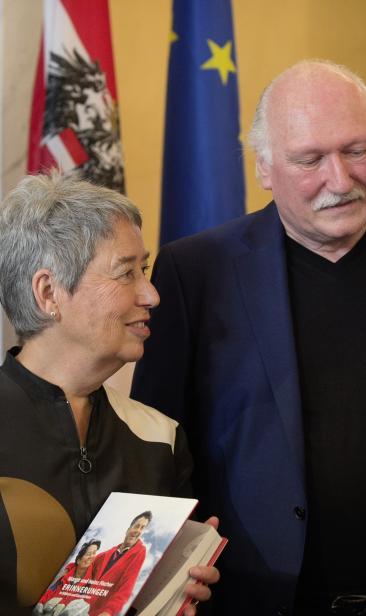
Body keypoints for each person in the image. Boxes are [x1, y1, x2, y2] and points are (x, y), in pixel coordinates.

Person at [132, 60, 366, 615]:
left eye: (357, 150)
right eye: (310, 159)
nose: (340, 180)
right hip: (255, 601)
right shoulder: (195, 272)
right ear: (265, 168)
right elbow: (155, 444)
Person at [0, 173, 218, 615]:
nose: (152, 294)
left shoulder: (161, 437)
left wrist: (178, 591)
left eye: (146, 270)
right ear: (49, 293)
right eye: (126, 273)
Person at [88, 511, 151, 616]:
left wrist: (108, 612)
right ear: (128, 529)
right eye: (137, 526)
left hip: (101, 613)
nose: (138, 531)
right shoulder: (107, 553)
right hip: (81, 606)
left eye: (142, 528)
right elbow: (83, 565)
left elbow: (127, 587)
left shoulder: (139, 552)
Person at [35, 540, 101, 613]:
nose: (91, 556)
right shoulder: (66, 573)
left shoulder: (92, 580)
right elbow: (52, 588)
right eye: (88, 554)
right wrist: (40, 602)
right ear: (78, 561)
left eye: (94, 553)